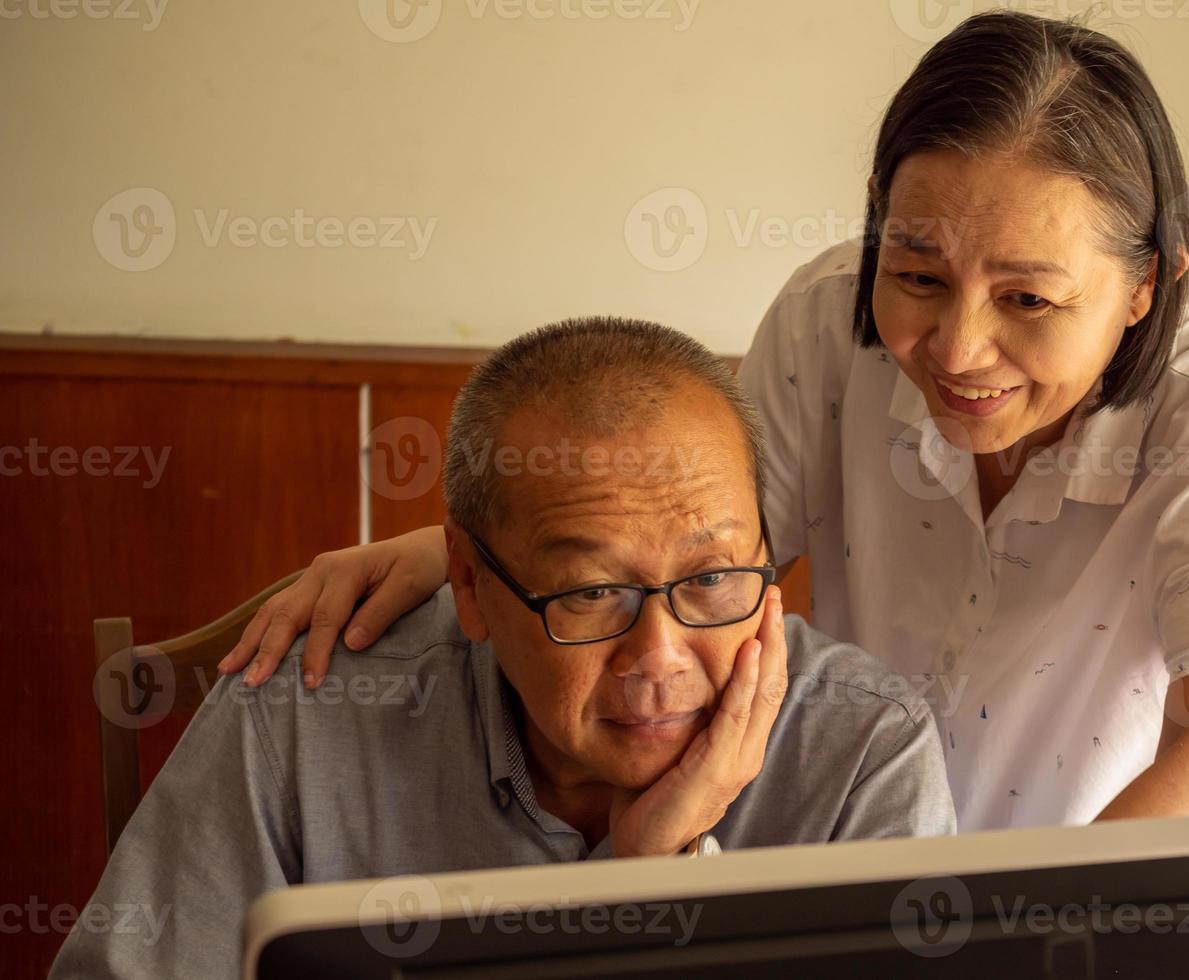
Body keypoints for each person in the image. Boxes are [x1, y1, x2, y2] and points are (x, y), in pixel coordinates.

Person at [219, 11, 1189, 832]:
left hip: (1184, 879)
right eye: (915, 274)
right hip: (911, 842)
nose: (958, 351)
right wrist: (466, 552)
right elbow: (688, 551)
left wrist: (1034, 933)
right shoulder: (828, 318)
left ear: (1149, 284)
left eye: (1028, 300)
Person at [51, 318, 954, 979]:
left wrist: (661, 873)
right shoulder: (305, 703)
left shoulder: (862, 751)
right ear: (472, 587)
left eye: (713, 580)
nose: (662, 656)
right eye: (594, 593)